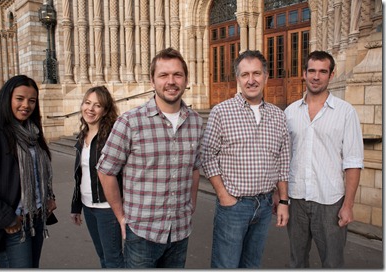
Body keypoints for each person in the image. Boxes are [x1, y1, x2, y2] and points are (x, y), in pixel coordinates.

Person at [96, 47, 203, 268]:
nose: (171, 81)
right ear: (152, 81)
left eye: (177, 75)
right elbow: (106, 170)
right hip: (143, 234)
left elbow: (194, 167)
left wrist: (191, 204)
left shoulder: (195, 121)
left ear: (185, 80)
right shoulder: (130, 122)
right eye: (163, 75)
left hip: (180, 231)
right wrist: (121, 216)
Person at [201, 50, 290, 268]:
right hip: (234, 206)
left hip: (264, 205)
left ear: (266, 77)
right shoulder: (221, 112)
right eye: (245, 75)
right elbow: (207, 155)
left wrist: (284, 200)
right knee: (226, 265)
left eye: (257, 73)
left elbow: (283, 160)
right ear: (238, 79)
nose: (251, 80)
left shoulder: (278, 115)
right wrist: (223, 196)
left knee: (252, 265)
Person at [284, 50, 364, 268]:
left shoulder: (345, 113)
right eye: (311, 71)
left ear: (331, 74)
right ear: (304, 73)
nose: (316, 76)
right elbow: (282, 158)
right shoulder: (290, 113)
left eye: (322, 71)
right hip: (296, 199)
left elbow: (353, 162)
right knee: (296, 262)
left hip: (330, 202)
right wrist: (279, 196)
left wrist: (348, 205)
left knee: (333, 263)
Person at [0, 75, 57, 268]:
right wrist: (9, 219)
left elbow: (39, 173)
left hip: (36, 218)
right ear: (7, 99)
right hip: (12, 223)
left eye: (32, 100)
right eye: (20, 99)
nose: (26, 105)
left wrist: (48, 196)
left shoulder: (33, 133)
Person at [70, 86, 124, 268]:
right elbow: (80, 175)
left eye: (97, 105)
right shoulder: (82, 136)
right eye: (87, 103)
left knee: (113, 259)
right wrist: (76, 206)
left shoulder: (111, 137)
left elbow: (121, 173)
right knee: (102, 255)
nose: (90, 109)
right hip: (88, 206)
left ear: (105, 110)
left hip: (107, 207)